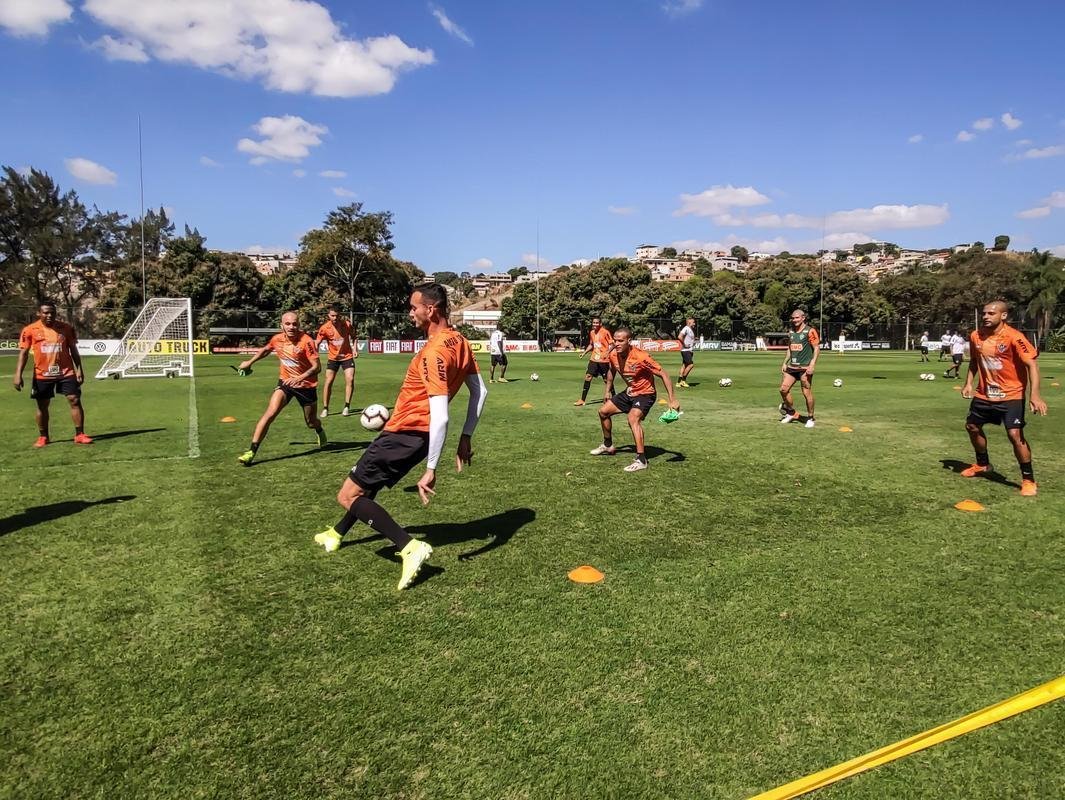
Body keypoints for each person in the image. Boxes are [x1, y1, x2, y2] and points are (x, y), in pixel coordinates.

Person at [313, 283, 487, 590]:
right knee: (367, 487)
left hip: (405, 434)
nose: (410, 312)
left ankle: (409, 546)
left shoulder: (433, 352)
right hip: (412, 437)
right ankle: (337, 533)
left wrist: (432, 469)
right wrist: (466, 436)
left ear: (430, 309)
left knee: (347, 495)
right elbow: (480, 391)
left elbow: (441, 413)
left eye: (413, 307)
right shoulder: (459, 341)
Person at [960, 301, 1047, 496]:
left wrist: (1034, 395)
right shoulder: (976, 336)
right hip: (985, 393)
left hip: (1011, 395)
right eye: (984, 313)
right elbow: (975, 361)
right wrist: (968, 383)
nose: (986, 316)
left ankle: (1028, 479)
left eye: (991, 313)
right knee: (972, 427)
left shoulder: (1014, 337)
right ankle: (982, 464)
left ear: (1004, 316)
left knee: (1015, 435)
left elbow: (1032, 365)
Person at [236, 312, 326, 465]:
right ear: (282, 325)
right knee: (270, 414)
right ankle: (251, 451)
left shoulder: (307, 341)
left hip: (306, 386)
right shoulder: (277, 339)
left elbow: (317, 367)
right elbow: (266, 349)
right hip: (285, 383)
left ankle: (319, 430)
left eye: (295, 324)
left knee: (311, 422)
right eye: (288, 324)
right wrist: (250, 362)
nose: (291, 327)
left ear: (299, 325)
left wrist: (299, 378)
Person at [590, 327, 680, 472]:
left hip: (646, 394)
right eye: (615, 340)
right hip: (630, 392)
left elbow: (663, 374)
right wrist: (607, 391)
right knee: (603, 412)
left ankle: (641, 459)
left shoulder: (641, 356)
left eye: (621, 341)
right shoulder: (613, 355)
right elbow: (611, 372)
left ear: (629, 341)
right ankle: (608, 445)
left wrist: (672, 400)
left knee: (633, 418)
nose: (617, 343)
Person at [13, 301, 92, 447]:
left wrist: (79, 369)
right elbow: (23, 353)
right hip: (42, 374)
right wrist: (18, 374)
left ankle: (80, 434)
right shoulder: (30, 330)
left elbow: (73, 350)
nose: (49, 315)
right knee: (42, 405)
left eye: (52, 312)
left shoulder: (66, 328)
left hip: (66, 372)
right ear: (39, 313)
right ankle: (44, 437)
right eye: (46, 312)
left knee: (74, 399)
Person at [779, 309, 819, 428]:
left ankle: (810, 417)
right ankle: (791, 413)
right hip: (792, 367)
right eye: (793, 318)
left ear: (803, 318)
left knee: (806, 392)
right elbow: (790, 348)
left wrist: (812, 364)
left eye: (797, 318)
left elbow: (816, 348)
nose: (794, 320)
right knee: (783, 390)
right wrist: (785, 362)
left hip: (805, 367)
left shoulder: (810, 331)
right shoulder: (791, 332)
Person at [315, 306, 358, 418]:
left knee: (350, 379)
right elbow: (317, 342)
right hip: (333, 358)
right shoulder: (324, 328)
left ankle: (346, 407)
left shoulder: (347, 324)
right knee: (328, 381)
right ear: (328, 316)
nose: (335, 318)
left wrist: (355, 349)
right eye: (332, 315)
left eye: (337, 315)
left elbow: (354, 336)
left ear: (340, 315)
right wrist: (315, 355)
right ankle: (325, 408)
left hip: (347, 357)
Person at [575, 316, 614, 406]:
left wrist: (607, 353)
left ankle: (615, 398)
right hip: (594, 359)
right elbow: (591, 345)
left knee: (606, 380)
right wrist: (584, 353)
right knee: (588, 376)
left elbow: (612, 344)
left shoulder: (605, 332)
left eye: (597, 323)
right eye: (593, 323)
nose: (595, 324)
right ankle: (582, 400)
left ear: (600, 324)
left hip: (604, 360)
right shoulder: (592, 332)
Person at [677, 317, 696, 387]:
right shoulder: (686, 328)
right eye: (693, 322)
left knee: (684, 365)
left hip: (688, 350)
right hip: (686, 350)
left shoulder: (690, 329)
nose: (694, 323)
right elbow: (679, 336)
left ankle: (679, 382)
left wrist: (692, 342)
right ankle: (683, 380)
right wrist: (684, 344)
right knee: (691, 365)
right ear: (689, 322)